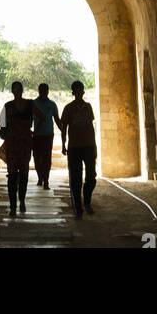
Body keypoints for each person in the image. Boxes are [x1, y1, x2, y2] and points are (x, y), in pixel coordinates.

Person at [60, 80, 97, 218]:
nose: (78, 93)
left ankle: (87, 202)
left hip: (88, 146)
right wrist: (63, 144)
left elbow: (90, 127)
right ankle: (78, 209)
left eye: (80, 90)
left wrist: (95, 146)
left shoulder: (88, 107)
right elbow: (64, 128)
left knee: (91, 178)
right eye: (76, 91)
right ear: (73, 93)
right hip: (74, 147)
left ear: (83, 92)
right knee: (75, 179)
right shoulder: (68, 108)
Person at [0, 81, 36, 215]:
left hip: (24, 143)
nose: (17, 91)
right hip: (13, 143)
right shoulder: (8, 106)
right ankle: (13, 206)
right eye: (15, 89)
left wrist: (33, 131)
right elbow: (0, 122)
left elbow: (41, 117)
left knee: (24, 174)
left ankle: (22, 200)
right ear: (13, 91)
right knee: (12, 175)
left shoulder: (30, 104)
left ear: (22, 90)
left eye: (19, 89)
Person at [31, 83, 61, 188]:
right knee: (37, 157)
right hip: (37, 136)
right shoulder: (33, 104)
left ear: (48, 91)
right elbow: (29, 120)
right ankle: (40, 178)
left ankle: (46, 180)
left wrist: (64, 130)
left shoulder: (52, 105)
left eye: (45, 90)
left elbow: (57, 120)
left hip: (48, 135)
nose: (43, 92)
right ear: (38, 91)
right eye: (41, 90)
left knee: (46, 159)